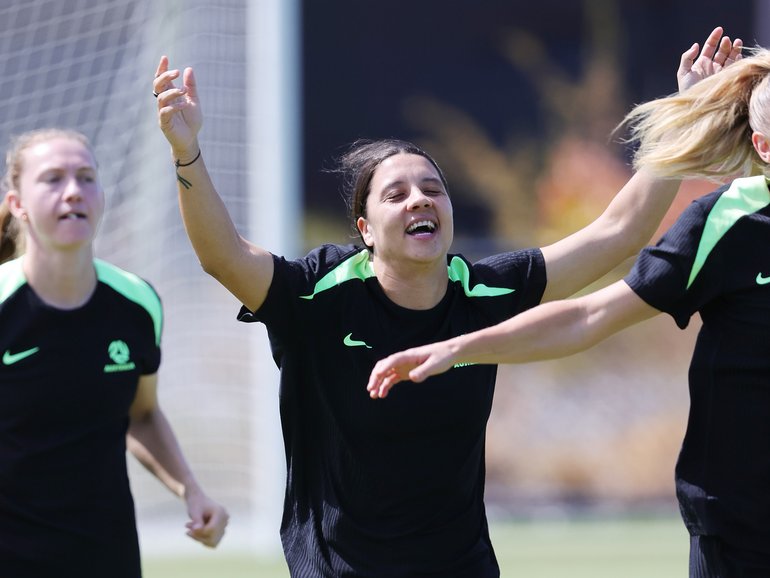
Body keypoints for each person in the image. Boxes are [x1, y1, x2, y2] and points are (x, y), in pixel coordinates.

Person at [153, 27, 740, 578]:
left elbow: (617, 231)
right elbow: (223, 257)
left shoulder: (481, 291)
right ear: (364, 227)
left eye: (434, 189)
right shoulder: (318, 294)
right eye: (397, 193)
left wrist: (686, 115)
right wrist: (187, 153)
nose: (419, 200)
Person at [365, 38, 770, 578]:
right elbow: (589, 315)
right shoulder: (728, 224)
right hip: (742, 527)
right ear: (763, 146)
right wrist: (462, 346)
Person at [0, 128, 229, 578]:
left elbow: (140, 415)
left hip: (106, 553)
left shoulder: (137, 303)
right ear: (17, 205)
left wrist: (191, 491)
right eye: (52, 179)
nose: (73, 192)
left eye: (86, 177)